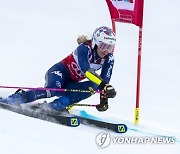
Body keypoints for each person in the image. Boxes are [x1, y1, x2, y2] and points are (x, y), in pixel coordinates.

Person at [1, 26, 117, 112]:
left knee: (94, 86)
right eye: (103, 46)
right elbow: (86, 71)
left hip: (71, 84)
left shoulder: (109, 59)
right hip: (58, 73)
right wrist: (103, 85)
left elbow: (104, 83)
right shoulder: (85, 48)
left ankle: (57, 105)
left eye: (110, 47)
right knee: (53, 90)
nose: (106, 51)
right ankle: (18, 98)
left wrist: (104, 100)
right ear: (95, 43)